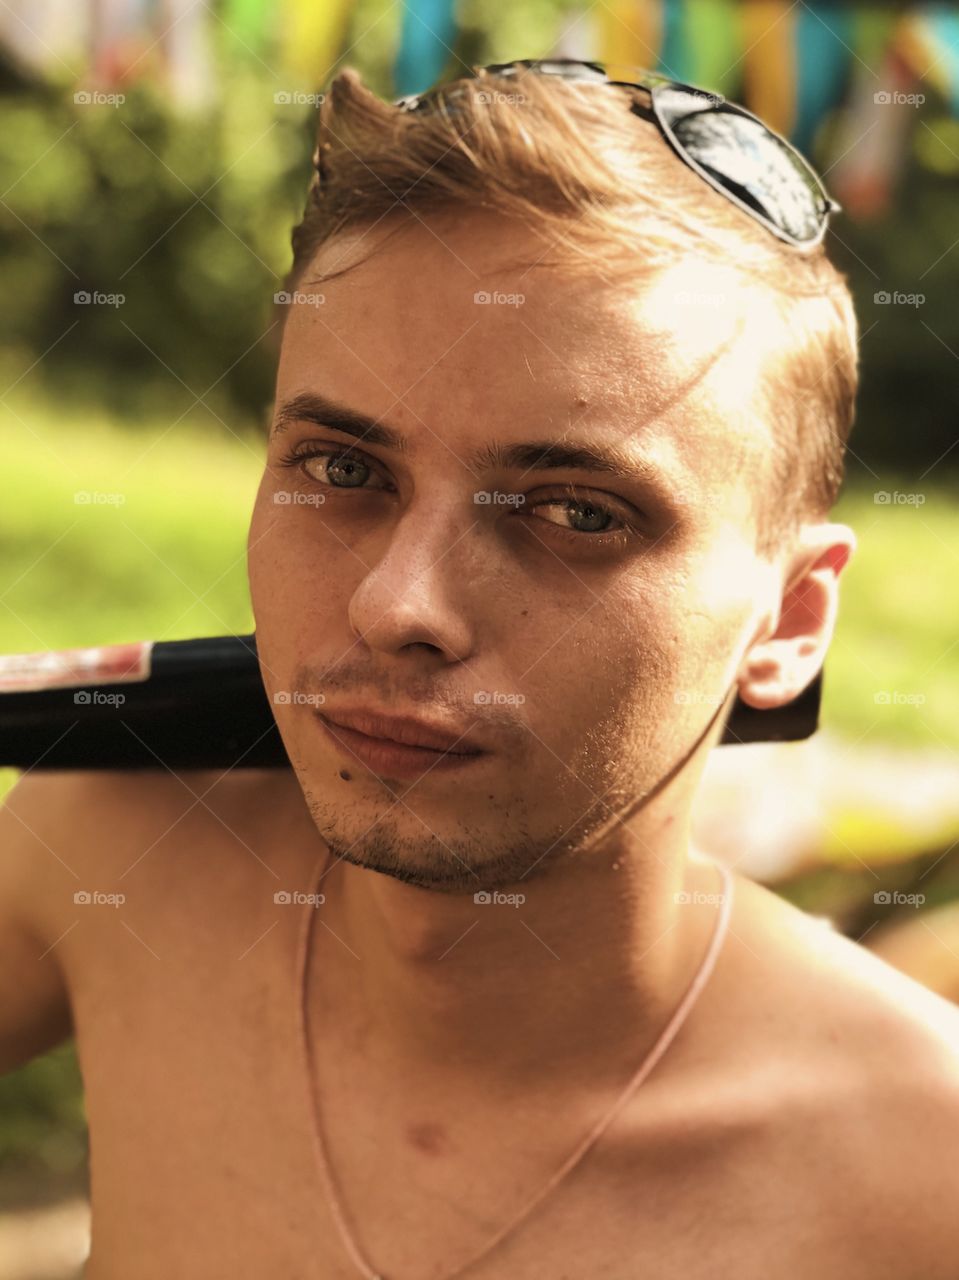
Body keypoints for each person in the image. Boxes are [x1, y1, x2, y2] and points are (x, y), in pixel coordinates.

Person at [2, 60, 958, 1280]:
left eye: (572, 512)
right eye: (345, 471)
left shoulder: (908, 1188)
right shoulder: (118, 853)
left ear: (785, 618)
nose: (398, 603)